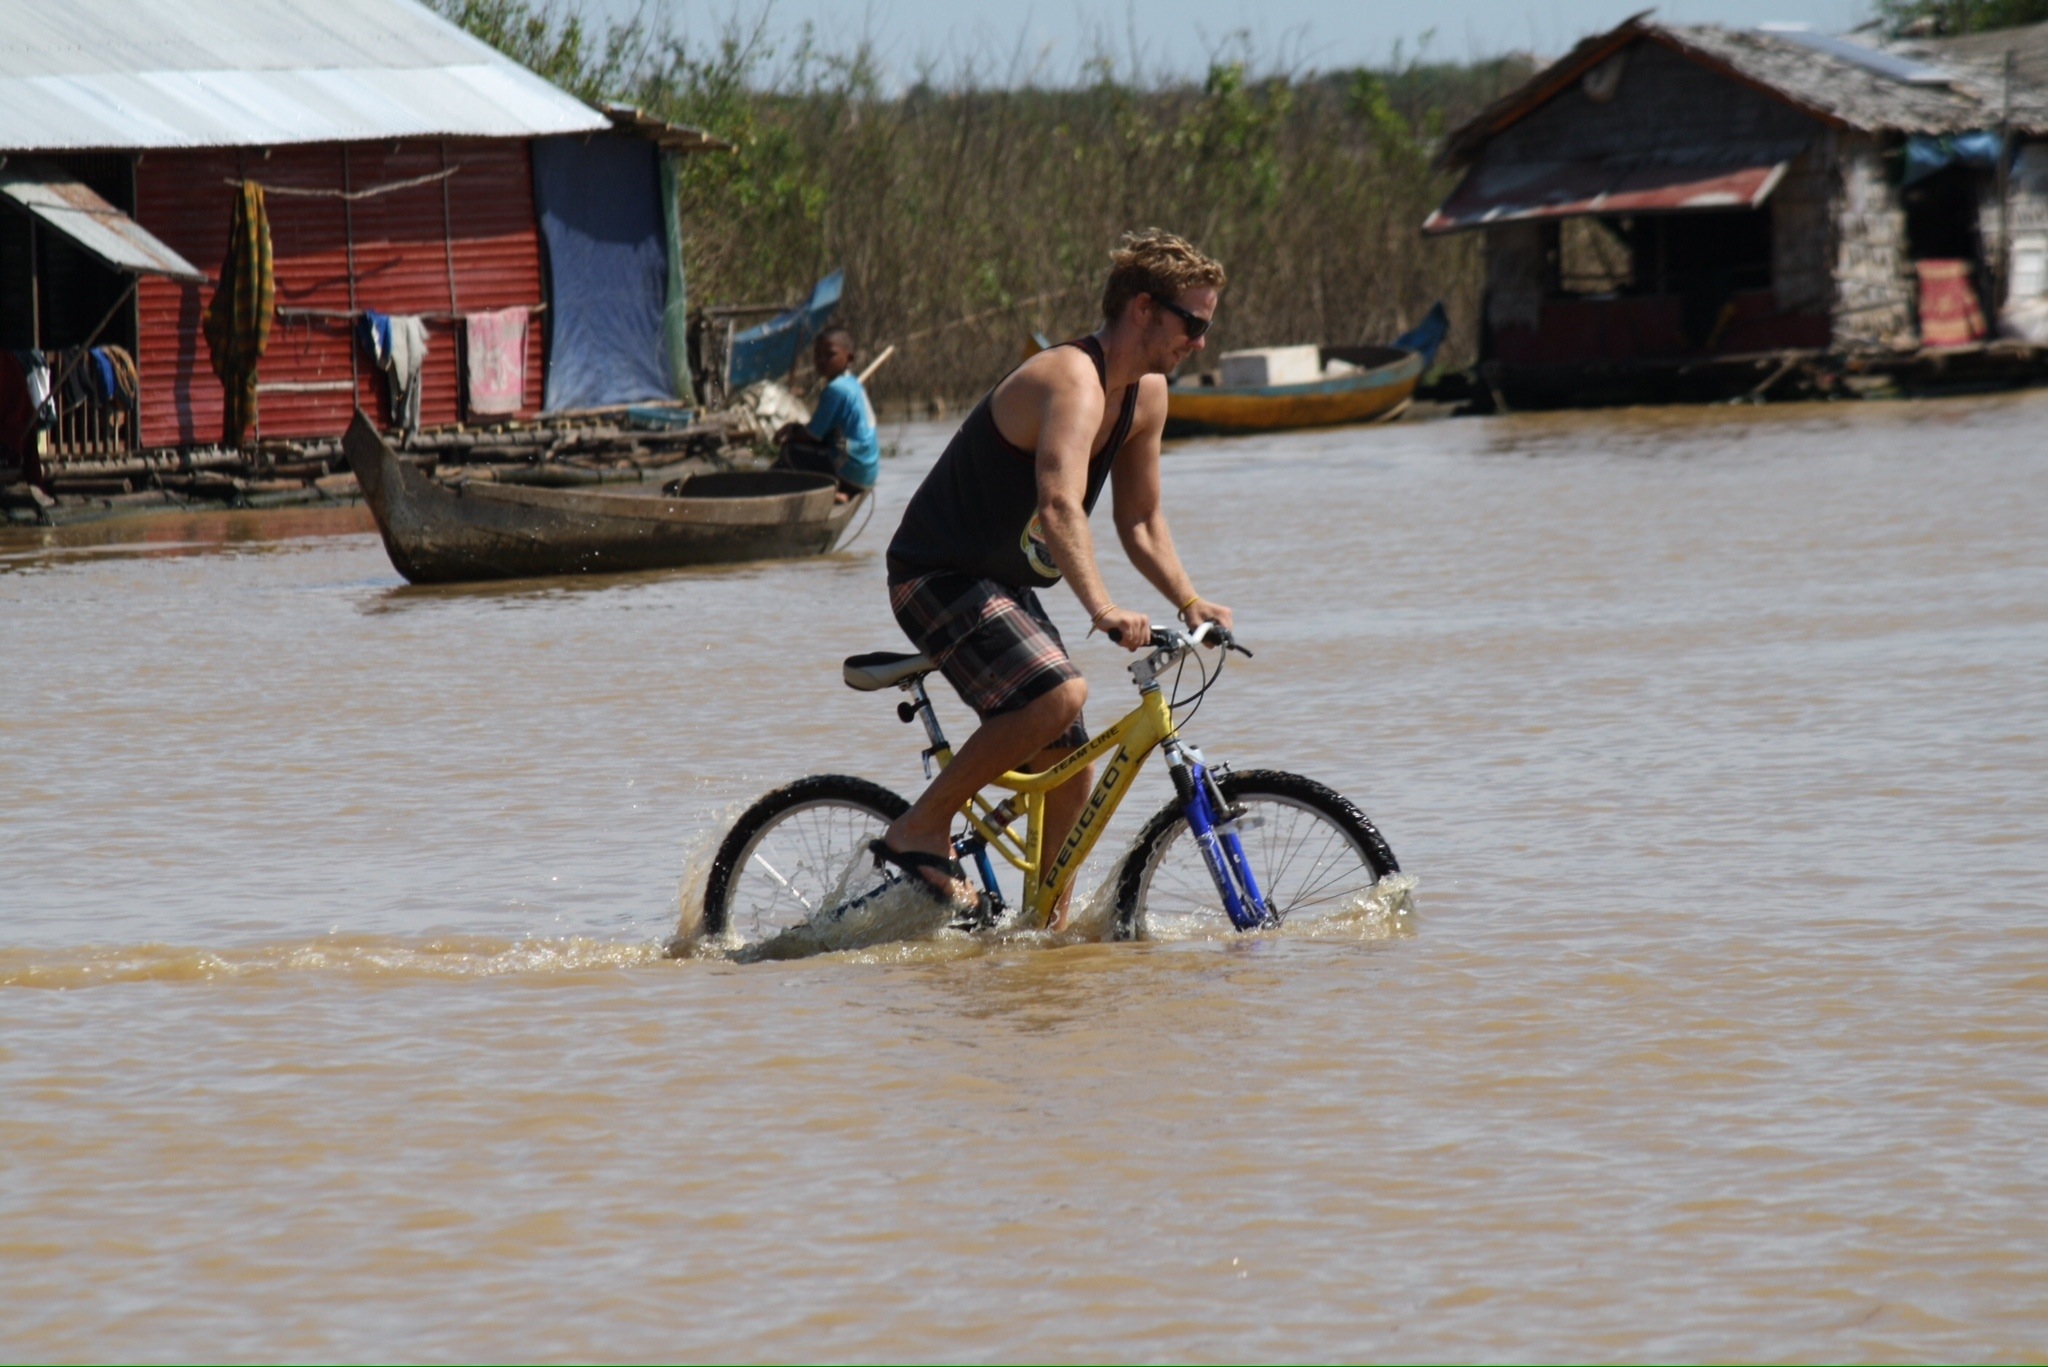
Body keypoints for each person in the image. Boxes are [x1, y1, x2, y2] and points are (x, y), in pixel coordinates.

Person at [875, 229, 1233, 928]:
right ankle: (920, 826)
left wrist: (1189, 600)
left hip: (1001, 584)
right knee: (1061, 694)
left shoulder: (1147, 396)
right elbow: (1059, 505)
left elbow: (1142, 521)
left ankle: (1042, 934)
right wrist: (1102, 609)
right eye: (1192, 324)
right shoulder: (1071, 379)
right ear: (1143, 309)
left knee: (1072, 770)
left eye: (1207, 328)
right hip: (937, 573)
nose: (1200, 343)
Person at [774, 327, 879, 501]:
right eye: (817, 355)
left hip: (851, 470)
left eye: (830, 355)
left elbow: (812, 435)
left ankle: (833, 491)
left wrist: (790, 434)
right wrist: (795, 428)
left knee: (792, 451)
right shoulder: (852, 383)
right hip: (867, 472)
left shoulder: (836, 390)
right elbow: (821, 432)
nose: (821, 360)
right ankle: (841, 490)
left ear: (849, 359)